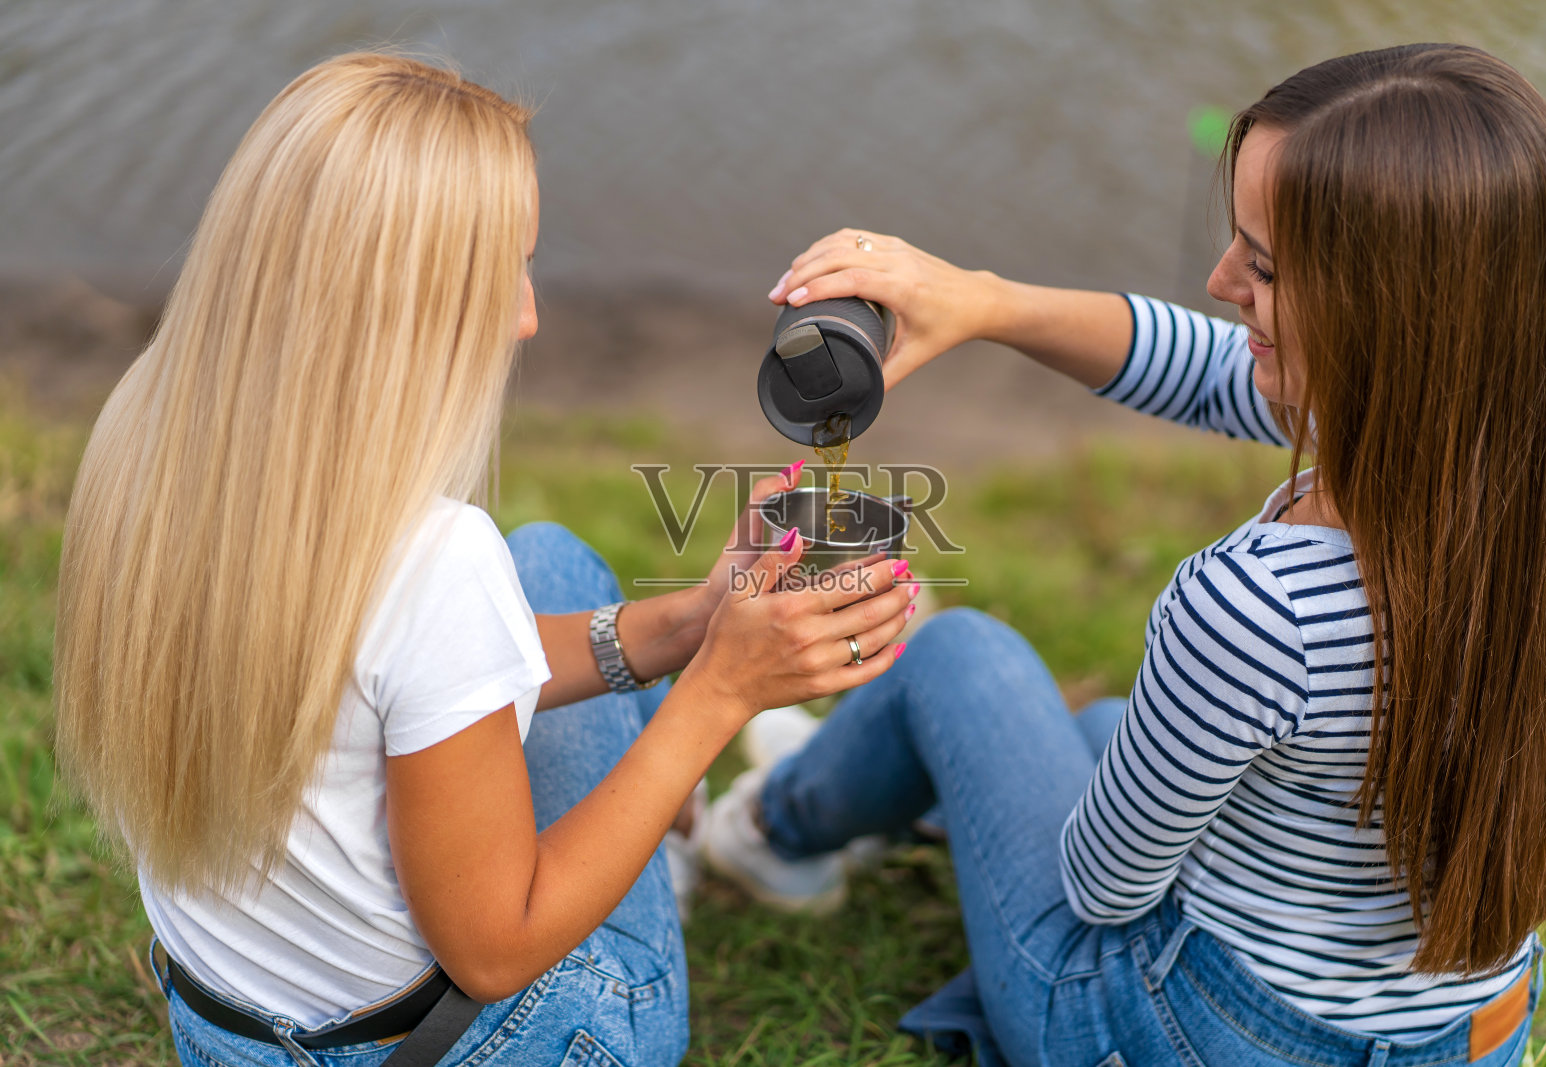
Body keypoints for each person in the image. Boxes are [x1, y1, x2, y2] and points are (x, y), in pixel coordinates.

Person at [701, 42, 1546, 1067]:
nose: (1220, 282)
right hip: (1461, 1031)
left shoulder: (1257, 608)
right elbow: (1208, 367)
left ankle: (767, 837)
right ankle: (870, 780)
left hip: (1194, 1033)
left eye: (1261, 267)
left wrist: (1091, 784)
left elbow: (1102, 887)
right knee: (1093, 723)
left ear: (1382, 314)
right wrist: (982, 302)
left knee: (967, 665)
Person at [51, 53, 916, 1066]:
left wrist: (690, 622)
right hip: (466, 1042)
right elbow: (498, 947)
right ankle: (691, 855)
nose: (527, 313)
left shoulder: (150, 424)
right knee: (539, 572)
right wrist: (715, 697)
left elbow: (383, 686)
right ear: (395, 302)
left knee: (545, 560)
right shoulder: (429, 561)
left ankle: (659, 798)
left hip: (228, 1027)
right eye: (500, 269)